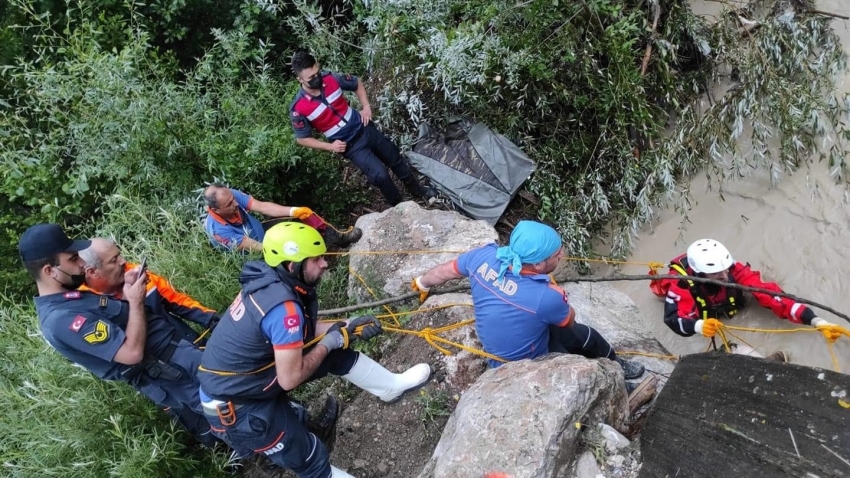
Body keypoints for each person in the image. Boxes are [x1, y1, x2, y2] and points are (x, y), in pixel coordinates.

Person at [197, 222, 432, 477]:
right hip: (237, 407)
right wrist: (330, 342)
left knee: (334, 353)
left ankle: (390, 387)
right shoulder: (282, 308)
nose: (324, 264)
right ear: (292, 266)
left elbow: (299, 332)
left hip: (247, 381)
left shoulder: (271, 279)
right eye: (316, 259)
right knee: (311, 461)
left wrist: (348, 326)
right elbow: (290, 378)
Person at [20, 224, 218, 448]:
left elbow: (121, 321)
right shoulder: (61, 320)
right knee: (230, 413)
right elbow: (131, 353)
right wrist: (135, 301)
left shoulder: (74, 298)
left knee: (235, 397)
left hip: (178, 357)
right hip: (168, 372)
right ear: (49, 271)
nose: (82, 264)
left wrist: (127, 291)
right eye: (74, 259)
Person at [411, 220, 645, 380]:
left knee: (565, 330)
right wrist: (553, 289)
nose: (562, 255)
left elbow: (446, 271)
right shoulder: (544, 297)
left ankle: (614, 366)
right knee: (584, 342)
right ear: (540, 265)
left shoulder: (482, 256)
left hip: (497, 353)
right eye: (557, 254)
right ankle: (617, 377)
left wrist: (422, 282)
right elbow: (569, 320)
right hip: (527, 362)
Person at [289, 51, 437, 206]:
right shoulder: (299, 108)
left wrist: (366, 107)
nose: (316, 78)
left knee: (394, 157)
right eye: (311, 78)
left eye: (317, 73)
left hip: (364, 127)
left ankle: (418, 190)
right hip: (351, 145)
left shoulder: (331, 79)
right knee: (380, 176)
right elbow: (302, 139)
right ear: (299, 79)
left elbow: (356, 82)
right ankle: (399, 206)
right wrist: (330, 147)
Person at [655, 238, 840, 359]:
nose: (725, 276)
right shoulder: (682, 284)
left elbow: (773, 296)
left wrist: (815, 320)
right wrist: (699, 326)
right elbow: (673, 319)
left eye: (725, 269)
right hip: (705, 318)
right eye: (717, 273)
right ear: (701, 273)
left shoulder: (733, 270)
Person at [79, 237, 218, 344]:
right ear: (92, 272)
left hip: (187, 341)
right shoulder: (86, 307)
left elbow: (176, 300)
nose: (123, 261)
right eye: (114, 260)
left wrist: (211, 319)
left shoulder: (133, 273)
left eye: (119, 255)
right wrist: (131, 300)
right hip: (160, 368)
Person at [203, 183, 361, 252]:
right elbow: (254, 247)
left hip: (263, 231)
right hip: (257, 253)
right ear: (215, 209)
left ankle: (339, 239)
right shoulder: (218, 232)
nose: (236, 203)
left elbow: (263, 207)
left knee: (304, 218)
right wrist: (283, 247)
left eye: (233, 199)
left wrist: (294, 211)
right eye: (229, 204)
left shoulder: (229, 196)